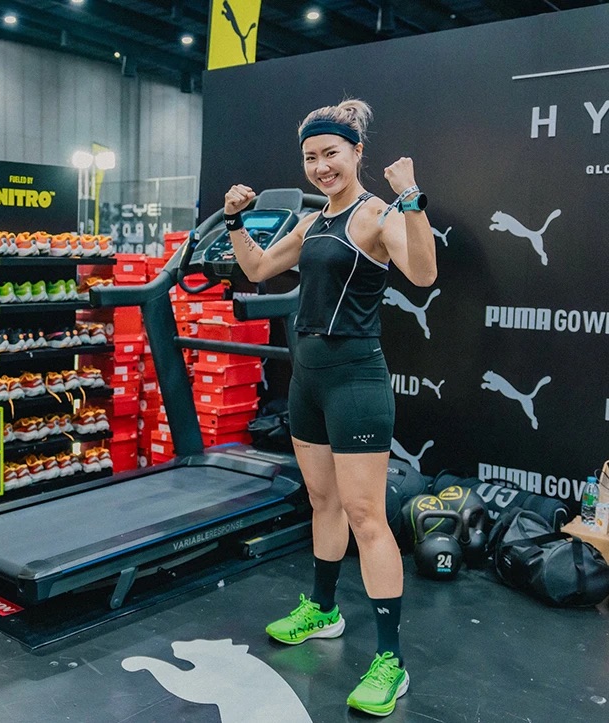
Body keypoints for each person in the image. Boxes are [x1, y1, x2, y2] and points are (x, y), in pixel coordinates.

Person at [224, 99, 436, 717]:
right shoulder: (312, 222)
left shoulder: (377, 215)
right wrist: (235, 221)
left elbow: (423, 273)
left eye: (331, 154)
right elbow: (258, 266)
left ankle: (391, 661)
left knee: (367, 517)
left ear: (356, 153)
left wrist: (412, 198)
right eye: (311, 157)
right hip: (308, 378)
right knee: (323, 502)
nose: (321, 167)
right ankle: (322, 610)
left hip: (355, 379)